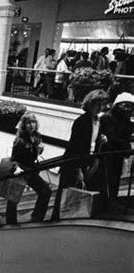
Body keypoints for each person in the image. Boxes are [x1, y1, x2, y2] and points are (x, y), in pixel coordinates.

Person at [51, 89, 109, 221]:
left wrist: (101, 140)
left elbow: (92, 141)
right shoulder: (81, 121)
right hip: (73, 163)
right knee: (66, 193)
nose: (100, 108)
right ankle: (57, 220)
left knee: (77, 194)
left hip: (87, 162)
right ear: (90, 104)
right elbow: (74, 147)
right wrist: (77, 170)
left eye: (102, 104)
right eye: (97, 104)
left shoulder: (97, 121)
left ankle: (71, 218)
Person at [6, 113, 52, 224]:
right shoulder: (20, 140)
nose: (31, 125)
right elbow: (14, 158)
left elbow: (33, 154)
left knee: (46, 191)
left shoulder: (37, 137)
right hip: (21, 170)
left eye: (33, 122)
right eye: (28, 123)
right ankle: (11, 222)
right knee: (13, 198)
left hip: (31, 170)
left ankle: (37, 217)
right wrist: (17, 169)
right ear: (24, 125)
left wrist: (38, 151)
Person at [91, 92, 133, 212]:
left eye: (130, 107)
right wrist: (126, 146)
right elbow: (111, 137)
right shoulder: (107, 118)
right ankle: (103, 205)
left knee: (114, 180)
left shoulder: (125, 121)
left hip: (117, 156)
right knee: (106, 180)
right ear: (117, 105)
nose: (127, 109)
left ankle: (109, 203)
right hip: (107, 156)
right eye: (125, 105)